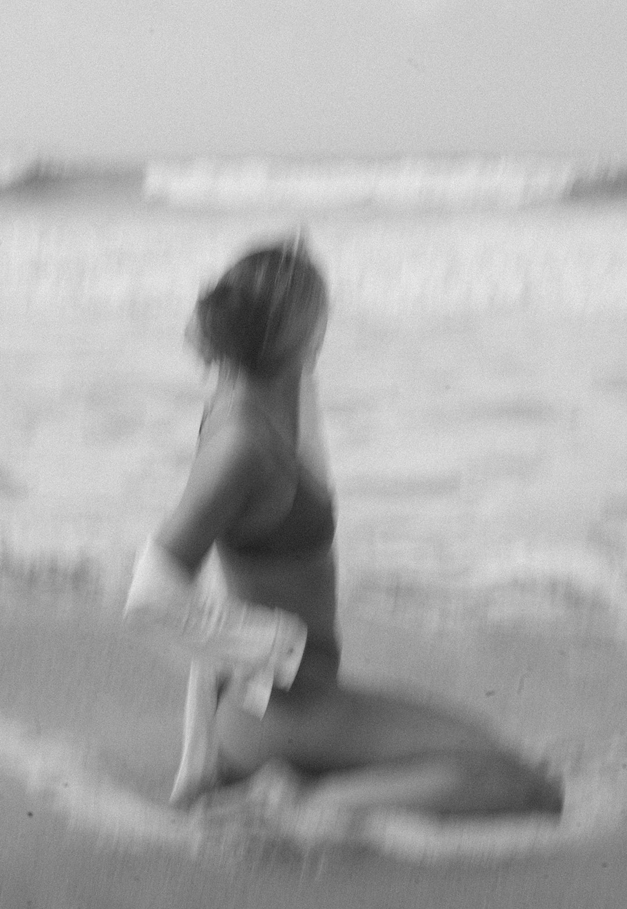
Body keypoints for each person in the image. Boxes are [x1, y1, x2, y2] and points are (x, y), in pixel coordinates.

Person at [124, 235, 563, 824]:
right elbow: (153, 589)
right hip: (282, 713)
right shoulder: (243, 440)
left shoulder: (280, 394)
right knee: (528, 788)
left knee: (511, 767)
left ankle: (293, 782)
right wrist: (262, 647)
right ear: (304, 328)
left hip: (304, 704)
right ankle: (295, 802)